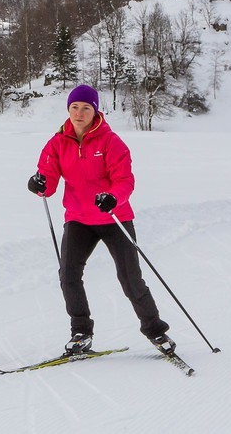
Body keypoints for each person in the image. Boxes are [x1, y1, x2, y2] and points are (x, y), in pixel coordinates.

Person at [28, 84, 174, 355]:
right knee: (68, 275)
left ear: (95, 111)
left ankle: (156, 331)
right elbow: (47, 180)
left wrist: (113, 197)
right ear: (68, 110)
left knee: (130, 279)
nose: (79, 113)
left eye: (86, 108)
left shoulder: (111, 141)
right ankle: (81, 332)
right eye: (74, 107)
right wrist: (38, 183)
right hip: (79, 219)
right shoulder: (57, 142)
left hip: (113, 216)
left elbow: (124, 180)